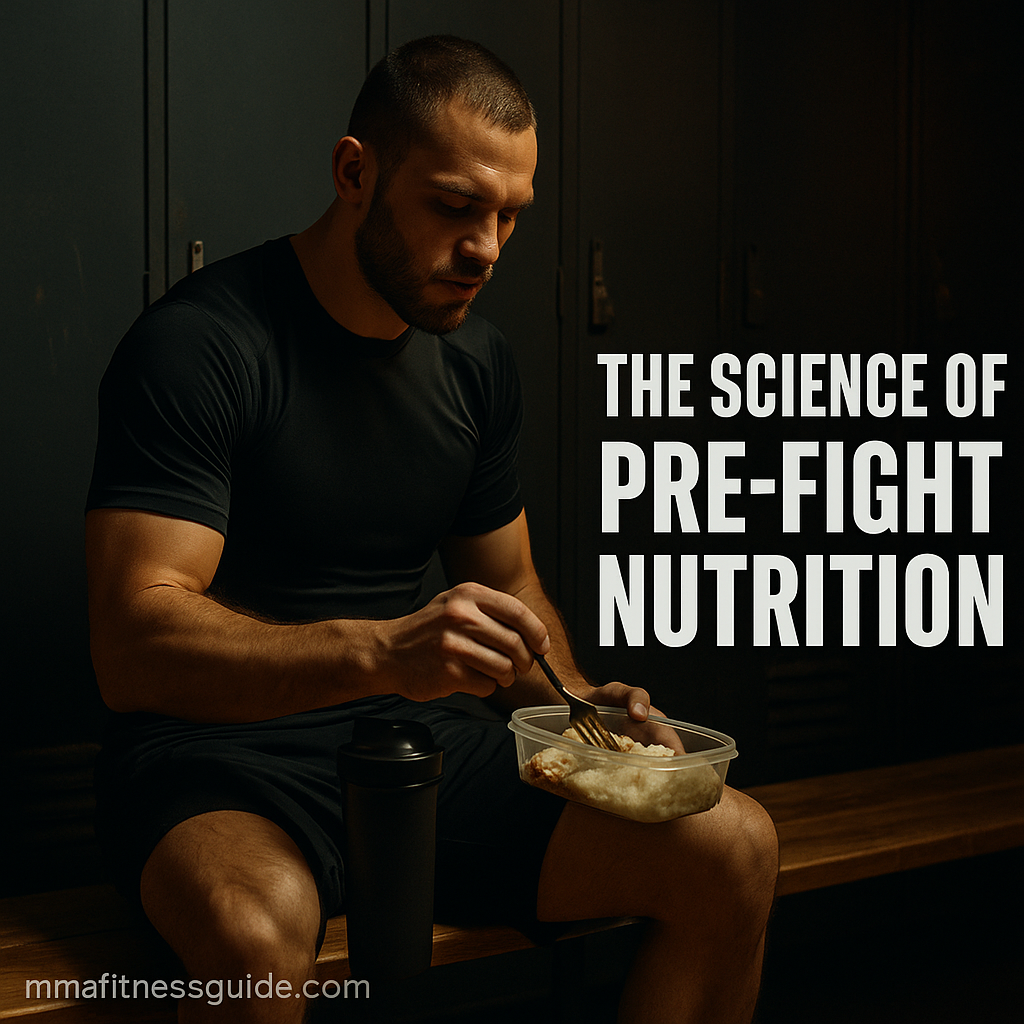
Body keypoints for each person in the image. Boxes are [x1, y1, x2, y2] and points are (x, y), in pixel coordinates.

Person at [85, 36, 778, 1024]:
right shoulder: (202, 345)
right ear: (355, 173)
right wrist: (384, 650)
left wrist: (579, 708)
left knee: (735, 845)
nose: (487, 246)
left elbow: (512, 584)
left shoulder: (476, 366)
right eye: (455, 206)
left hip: (414, 744)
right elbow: (133, 645)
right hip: (212, 758)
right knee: (252, 936)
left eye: (509, 214)